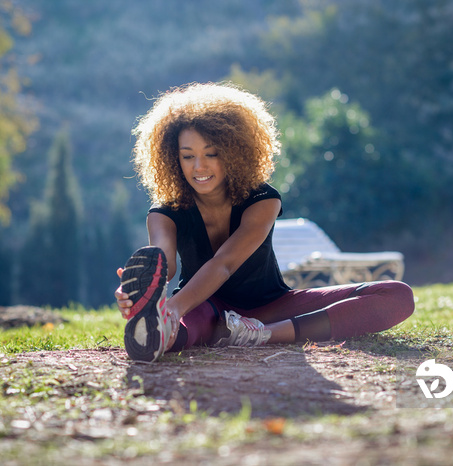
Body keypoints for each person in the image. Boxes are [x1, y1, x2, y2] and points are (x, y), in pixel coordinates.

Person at [115, 82, 415, 362]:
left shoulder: (263, 199)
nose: (199, 166)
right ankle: (157, 334)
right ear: (172, 159)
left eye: (211, 153)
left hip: (271, 308)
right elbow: (162, 261)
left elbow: (224, 264)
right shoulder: (164, 213)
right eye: (187, 156)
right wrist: (145, 291)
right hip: (204, 307)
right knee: (185, 327)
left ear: (234, 154)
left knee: (397, 295)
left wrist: (174, 306)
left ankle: (261, 335)